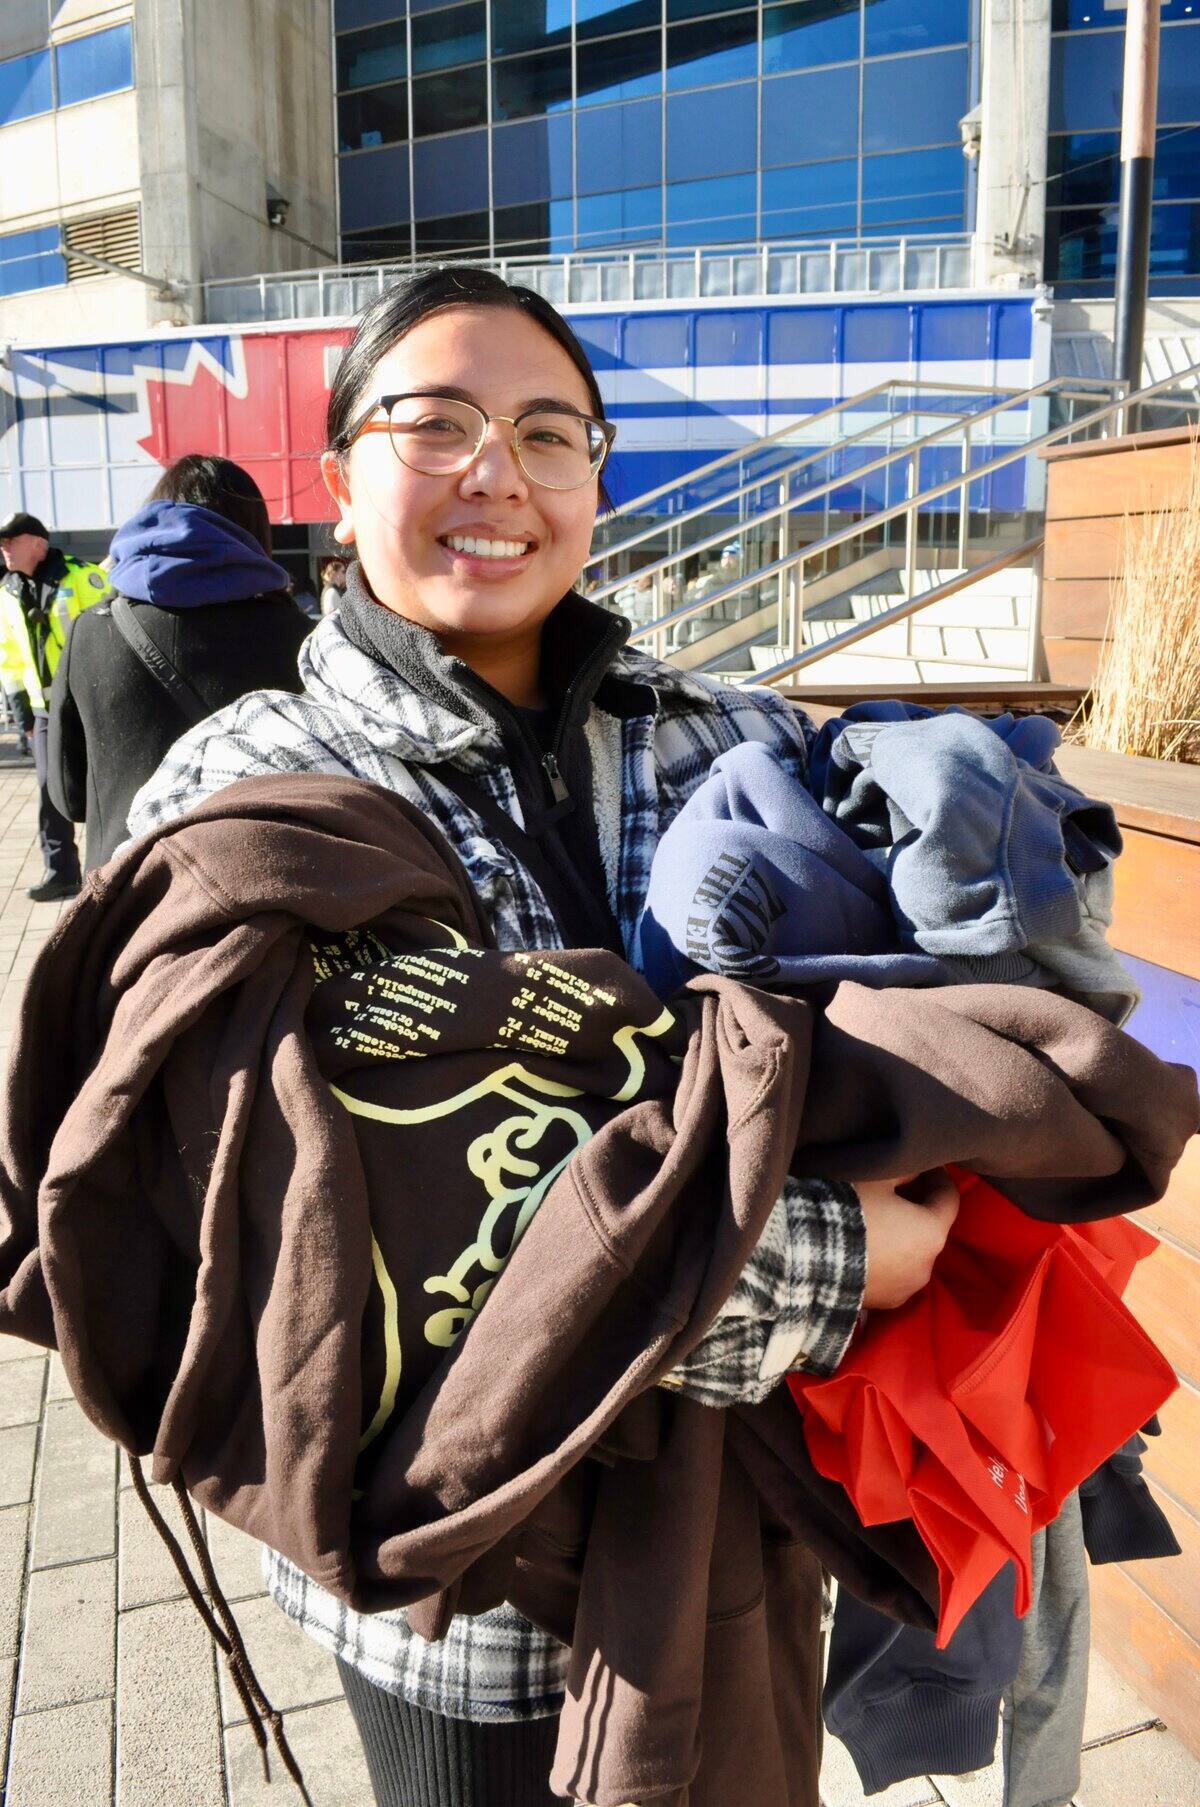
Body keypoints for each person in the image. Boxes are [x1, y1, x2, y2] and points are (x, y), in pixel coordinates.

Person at [126, 267, 956, 1807]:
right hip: (463, 1586)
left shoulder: (736, 734)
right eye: (432, 421)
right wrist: (849, 1257)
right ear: (336, 472)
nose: (494, 472)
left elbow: (894, 1047)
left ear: (596, 469)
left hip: (745, 1512)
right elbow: (359, 1231)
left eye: (547, 430)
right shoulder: (245, 798)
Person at [47, 456, 310, 872]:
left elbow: (69, 797)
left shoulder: (91, 633)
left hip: (130, 903)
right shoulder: (301, 638)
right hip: (264, 893)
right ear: (255, 531)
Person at [0, 511, 111, 900]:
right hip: (44, 711)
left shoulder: (83, 576)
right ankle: (61, 871)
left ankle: (111, 870)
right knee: (50, 789)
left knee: (103, 786)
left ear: (38, 542)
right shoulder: (8, 592)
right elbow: (9, 658)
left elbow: (112, 636)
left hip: (92, 701)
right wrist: (21, 714)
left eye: (11, 540)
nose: (5, 548)